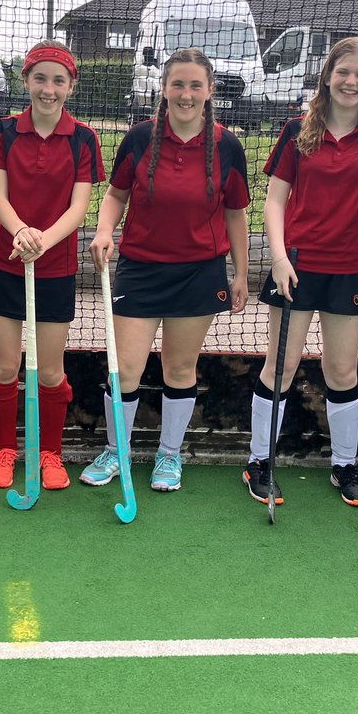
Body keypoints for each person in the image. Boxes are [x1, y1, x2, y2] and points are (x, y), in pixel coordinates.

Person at [245, 37, 358, 509]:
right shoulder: (297, 129)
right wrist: (278, 257)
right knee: (282, 366)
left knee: (341, 369)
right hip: (293, 264)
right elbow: (275, 200)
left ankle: (344, 465)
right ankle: (259, 463)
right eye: (344, 72)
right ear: (328, 76)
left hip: (347, 267)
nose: (351, 82)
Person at [83, 47, 250, 492]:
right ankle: (116, 451)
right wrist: (104, 231)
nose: (186, 93)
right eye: (178, 83)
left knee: (180, 369)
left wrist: (241, 273)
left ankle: (169, 457)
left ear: (210, 91)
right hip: (140, 269)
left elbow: (236, 214)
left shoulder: (228, 146)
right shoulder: (140, 138)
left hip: (200, 274)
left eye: (196, 85)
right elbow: (116, 194)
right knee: (126, 368)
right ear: (164, 88)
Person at [0, 41, 103, 491]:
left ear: (70, 86)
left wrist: (41, 242)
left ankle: (49, 452)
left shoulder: (84, 138)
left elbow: (78, 209)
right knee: (5, 366)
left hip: (55, 268)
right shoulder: (5, 131)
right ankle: (4, 451)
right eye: (39, 78)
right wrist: (21, 234)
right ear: (26, 80)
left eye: (58, 80)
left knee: (50, 371)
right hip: (6, 261)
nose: (48, 89)